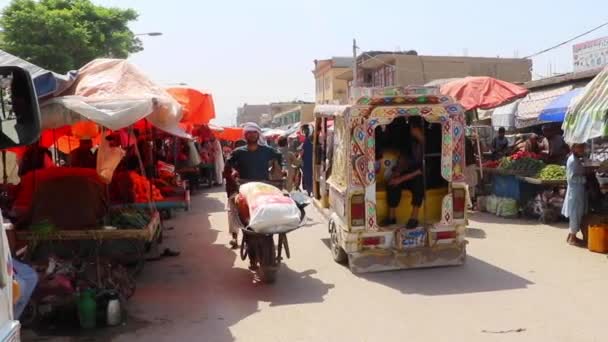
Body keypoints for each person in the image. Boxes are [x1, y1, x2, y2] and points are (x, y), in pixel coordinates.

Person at [224, 124, 282, 250]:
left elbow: (279, 157)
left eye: (254, 132)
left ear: (258, 134)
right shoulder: (238, 152)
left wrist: (278, 170)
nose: (252, 134)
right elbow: (227, 167)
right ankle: (234, 235)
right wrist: (231, 181)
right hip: (245, 187)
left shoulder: (267, 150)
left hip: (263, 186)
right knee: (232, 206)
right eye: (249, 133)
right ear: (245, 135)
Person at [383, 120, 425, 229]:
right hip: (410, 172)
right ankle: (392, 217)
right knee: (392, 182)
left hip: (423, 175)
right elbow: (404, 158)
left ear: (415, 129)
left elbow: (421, 170)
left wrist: (401, 179)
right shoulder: (412, 142)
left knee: (418, 183)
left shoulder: (429, 144)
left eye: (411, 128)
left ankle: (414, 218)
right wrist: (397, 172)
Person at [562, 143, 588, 247]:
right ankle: (573, 238)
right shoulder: (572, 160)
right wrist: (585, 179)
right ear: (573, 148)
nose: (582, 148)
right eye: (580, 147)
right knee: (575, 214)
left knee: (577, 213)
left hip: (578, 190)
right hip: (575, 190)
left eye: (583, 146)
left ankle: (571, 236)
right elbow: (572, 178)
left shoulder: (576, 159)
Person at [301, 125, 313, 196]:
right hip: (308, 162)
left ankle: (309, 191)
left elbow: (302, 152)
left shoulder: (306, 142)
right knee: (309, 176)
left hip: (307, 162)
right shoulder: (308, 141)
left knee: (308, 177)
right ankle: (310, 190)